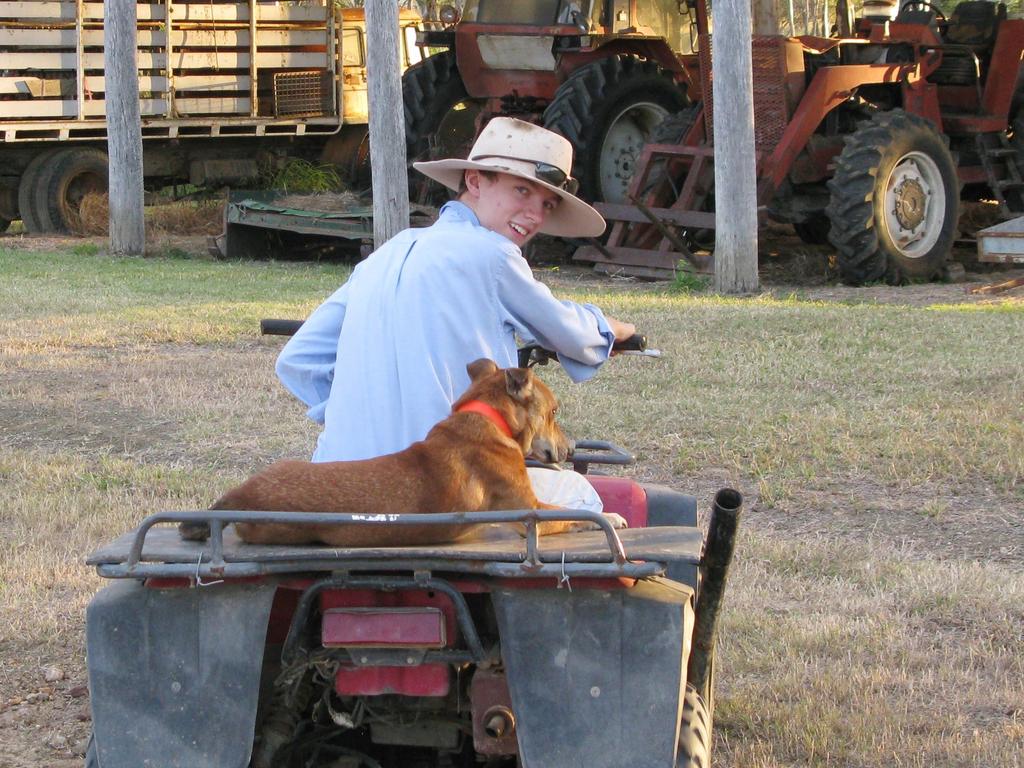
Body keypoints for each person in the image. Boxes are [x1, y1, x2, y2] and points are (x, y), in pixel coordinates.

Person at [276, 117, 635, 511]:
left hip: (341, 487)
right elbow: (570, 333)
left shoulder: (386, 255)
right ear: (475, 181)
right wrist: (610, 328)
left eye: (547, 204)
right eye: (522, 191)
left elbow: (298, 360)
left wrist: (369, 411)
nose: (535, 214)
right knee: (585, 497)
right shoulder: (494, 255)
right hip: (437, 489)